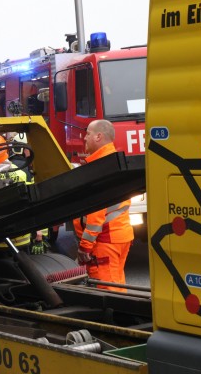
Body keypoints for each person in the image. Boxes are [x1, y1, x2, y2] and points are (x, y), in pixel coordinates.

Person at [73, 119, 134, 292]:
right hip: (117, 236)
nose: (84, 138)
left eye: (88, 134)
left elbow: (96, 213)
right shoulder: (113, 161)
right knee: (116, 283)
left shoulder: (100, 168)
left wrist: (85, 246)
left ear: (99, 136)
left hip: (105, 241)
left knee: (108, 291)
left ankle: (115, 318)